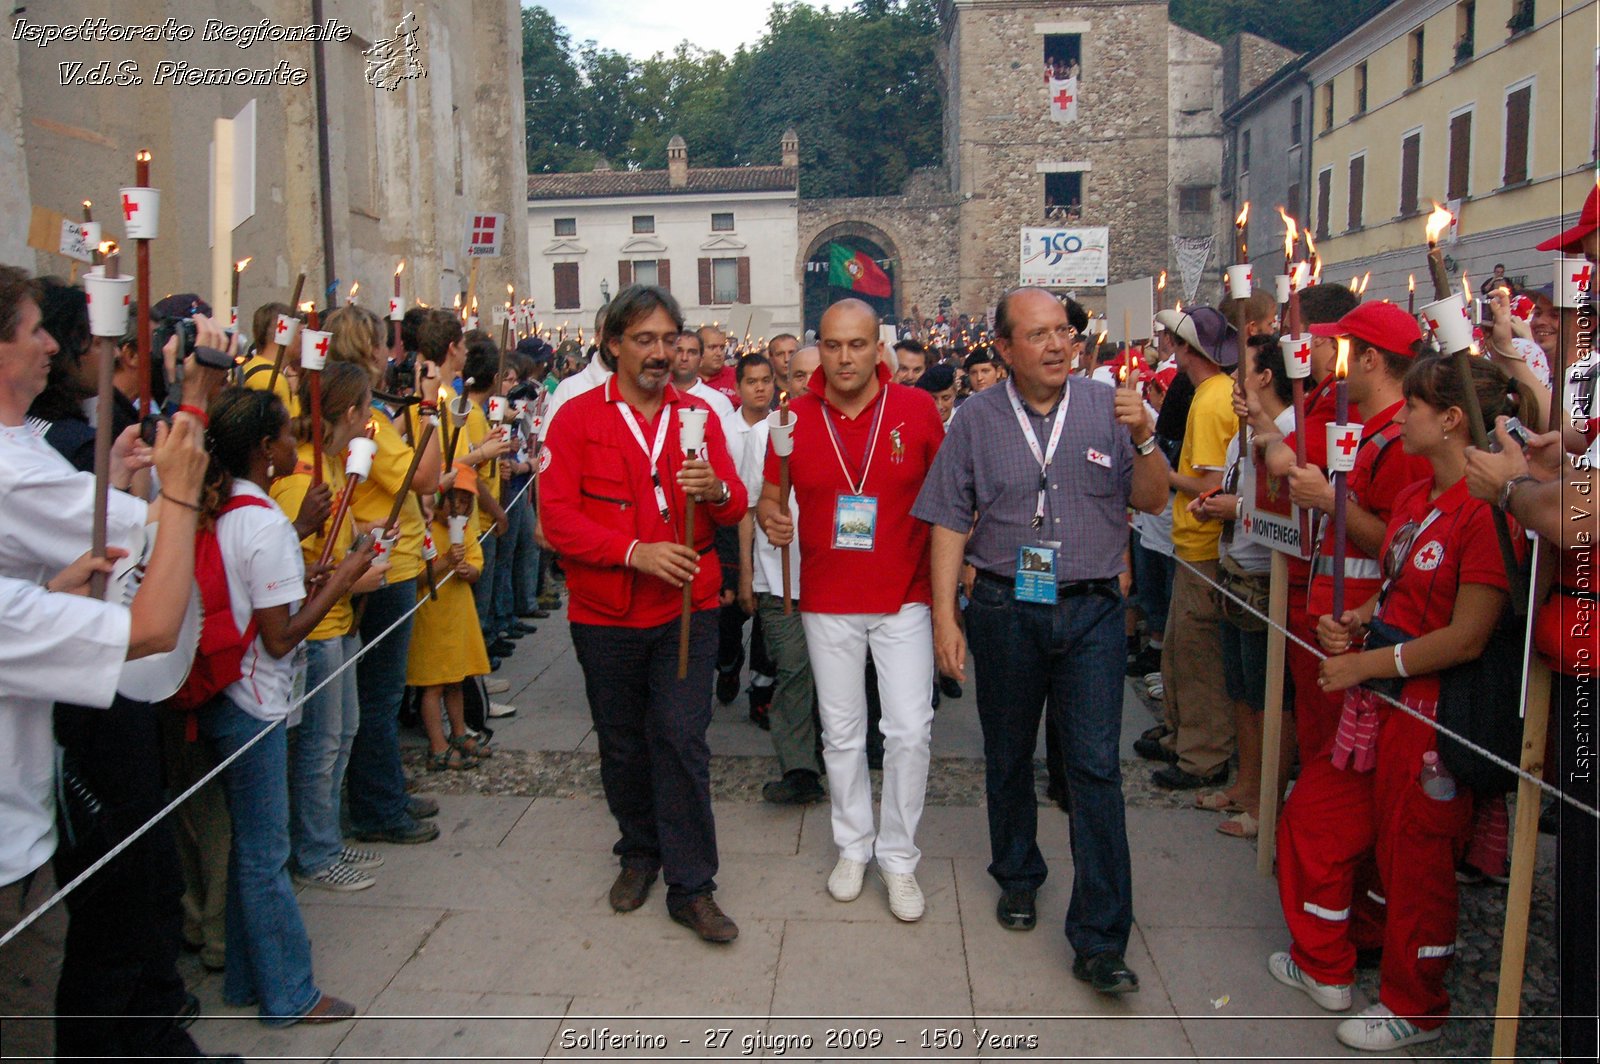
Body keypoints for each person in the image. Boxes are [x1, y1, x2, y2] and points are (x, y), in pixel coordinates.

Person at [1271, 357, 1530, 1052]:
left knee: (1416, 861)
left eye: (1414, 405)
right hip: (1379, 703)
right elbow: (1395, 588)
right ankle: (1326, 961)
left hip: (1432, 712)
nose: (1401, 415)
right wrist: (1356, 617)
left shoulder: (1488, 515)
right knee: (1315, 815)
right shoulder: (1420, 499)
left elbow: (1469, 635)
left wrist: (1366, 660)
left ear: (1448, 419)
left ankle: (1416, 1002)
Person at [913, 286, 1167, 992]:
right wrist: (944, 617)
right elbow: (947, 518)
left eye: (1064, 331)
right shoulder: (974, 419)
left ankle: (1100, 936)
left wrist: (1145, 434)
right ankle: (1018, 872)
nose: (1058, 345)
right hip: (1002, 606)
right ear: (1002, 348)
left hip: (1090, 611)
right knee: (1007, 752)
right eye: (1039, 334)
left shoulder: (1109, 406)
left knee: (1094, 770)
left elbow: (1151, 499)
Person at [0, 265, 216, 1061]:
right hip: (25, 813)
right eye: (35, 331)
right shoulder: (13, 469)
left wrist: (117, 493)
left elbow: (107, 544)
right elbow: (153, 622)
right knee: (94, 938)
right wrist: (183, 484)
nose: (55, 347)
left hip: (36, 782)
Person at [539, 285, 747, 943]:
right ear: (613, 345)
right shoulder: (574, 418)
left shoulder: (703, 415)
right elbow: (556, 520)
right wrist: (634, 552)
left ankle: (693, 886)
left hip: (689, 609)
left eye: (669, 340)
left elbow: (734, 505)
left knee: (681, 739)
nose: (662, 353)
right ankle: (639, 850)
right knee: (623, 744)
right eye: (646, 340)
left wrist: (714, 488)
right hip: (606, 613)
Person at [757, 299, 945, 923]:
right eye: (833, 345)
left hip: (904, 594)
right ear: (822, 347)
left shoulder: (916, 410)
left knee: (909, 730)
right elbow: (770, 497)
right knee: (840, 733)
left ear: (878, 350)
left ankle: (898, 857)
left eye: (857, 345)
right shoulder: (792, 416)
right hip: (828, 596)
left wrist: (951, 600)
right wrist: (773, 516)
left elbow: (945, 500)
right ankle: (852, 844)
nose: (843, 357)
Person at [195, 386, 374, 1027]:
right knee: (266, 853)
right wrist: (349, 573)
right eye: (287, 434)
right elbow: (281, 635)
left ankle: (248, 976)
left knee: (249, 845)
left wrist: (313, 570)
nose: (297, 441)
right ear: (267, 448)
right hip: (254, 701)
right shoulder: (261, 519)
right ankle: (288, 991)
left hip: (231, 696)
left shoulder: (229, 508)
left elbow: (261, 600)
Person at [270, 362, 391, 892]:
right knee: (319, 747)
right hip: (316, 632)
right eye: (367, 410)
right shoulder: (304, 480)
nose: (372, 422)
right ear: (350, 412)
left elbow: (334, 538)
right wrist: (350, 577)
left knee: (343, 734)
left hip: (339, 626)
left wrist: (362, 538)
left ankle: (325, 837)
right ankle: (314, 853)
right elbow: (289, 564)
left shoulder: (335, 467)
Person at [327, 304, 444, 845]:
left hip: (391, 563)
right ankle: (377, 806)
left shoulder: (369, 411)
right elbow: (426, 475)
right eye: (379, 342)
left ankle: (386, 791)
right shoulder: (365, 417)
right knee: (376, 696)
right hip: (381, 567)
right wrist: (430, 408)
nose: (386, 352)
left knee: (380, 693)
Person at [1192, 338, 1299, 839]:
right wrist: (1218, 501)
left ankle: (1267, 800)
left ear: (1265, 378)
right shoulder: (1242, 434)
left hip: (1267, 575)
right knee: (1239, 689)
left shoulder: (1291, 431)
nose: (1235, 379)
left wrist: (1236, 510)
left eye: (1245, 371)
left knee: (1266, 696)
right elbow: (1240, 490)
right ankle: (1246, 782)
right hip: (1235, 565)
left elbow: (1289, 508)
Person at [1149, 307, 1240, 790]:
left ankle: (1202, 754)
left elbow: (1206, 483)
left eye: (1173, 340)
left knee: (1199, 655)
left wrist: (1158, 473)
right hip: (1194, 543)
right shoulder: (1216, 393)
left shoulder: (1209, 402)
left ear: (1187, 349)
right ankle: (1181, 733)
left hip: (1203, 545)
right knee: (1182, 649)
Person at [738, 346, 824, 803]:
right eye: (799, 375)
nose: (808, 383)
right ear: (785, 382)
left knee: (831, 671)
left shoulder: (836, 432)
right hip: (780, 576)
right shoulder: (763, 436)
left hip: (829, 577)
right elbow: (752, 507)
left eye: (816, 375)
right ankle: (799, 767)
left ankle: (833, 749)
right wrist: (749, 573)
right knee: (793, 667)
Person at [408, 462, 494, 769]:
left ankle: (459, 732)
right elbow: (416, 576)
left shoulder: (465, 530)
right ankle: (437, 743)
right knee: (433, 684)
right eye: (456, 500)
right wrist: (444, 562)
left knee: (457, 678)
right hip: (432, 616)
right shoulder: (424, 529)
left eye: (467, 503)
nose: (461, 508)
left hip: (458, 614)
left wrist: (467, 569)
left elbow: (476, 566)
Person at [720, 353, 778, 722]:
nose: (760, 388)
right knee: (730, 612)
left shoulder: (780, 426)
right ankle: (727, 662)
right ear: (738, 386)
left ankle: (761, 689)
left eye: (766, 380)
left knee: (766, 617)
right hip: (731, 528)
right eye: (752, 381)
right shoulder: (724, 429)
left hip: (768, 530)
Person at [671, 330, 736, 419]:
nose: (684, 358)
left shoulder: (720, 402)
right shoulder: (654, 395)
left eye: (691, 352)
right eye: (679, 351)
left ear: (701, 360)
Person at [697, 324, 739, 404]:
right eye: (712, 347)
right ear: (698, 349)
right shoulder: (684, 378)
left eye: (722, 348)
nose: (719, 353)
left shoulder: (737, 377)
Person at [915, 363, 958, 427]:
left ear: (955, 394)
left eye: (945, 398)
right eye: (933, 399)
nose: (939, 406)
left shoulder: (964, 423)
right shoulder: (919, 425)